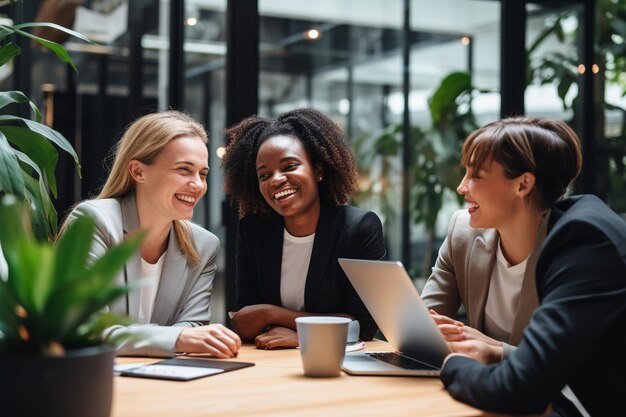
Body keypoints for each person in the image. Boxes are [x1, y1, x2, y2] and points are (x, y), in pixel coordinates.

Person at [434, 117, 626, 416]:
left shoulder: (586, 242)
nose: (462, 187)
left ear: (523, 184)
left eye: (477, 175)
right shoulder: (465, 232)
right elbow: (423, 323)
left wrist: (453, 364)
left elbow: (522, 389)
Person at [63, 111, 241, 358]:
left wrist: (183, 338)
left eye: (203, 174)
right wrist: (177, 338)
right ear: (138, 171)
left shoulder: (204, 245)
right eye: (183, 170)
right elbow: (84, 328)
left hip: (166, 381)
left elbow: (193, 328)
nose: (198, 185)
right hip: (96, 383)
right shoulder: (93, 222)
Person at [222, 108, 386, 350]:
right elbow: (247, 319)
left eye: (289, 166)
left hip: (339, 364)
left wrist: (281, 320)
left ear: (318, 170)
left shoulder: (358, 229)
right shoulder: (253, 231)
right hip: (270, 361)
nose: (276, 179)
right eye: (264, 174)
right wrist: (274, 320)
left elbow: (365, 324)